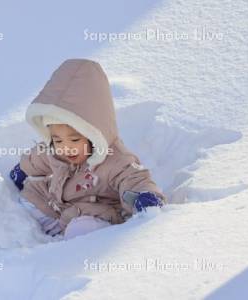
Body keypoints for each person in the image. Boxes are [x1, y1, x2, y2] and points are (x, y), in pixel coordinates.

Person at [9, 58, 166, 240]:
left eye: (74, 139)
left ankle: (82, 243)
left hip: (94, 212)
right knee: (29, 195)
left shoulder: (115, 158)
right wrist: (23, 169)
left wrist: (144, 196)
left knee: (82, 229)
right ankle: (55, 228)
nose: (65, 148)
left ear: (93, 135)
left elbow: (134, 177)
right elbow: (39, 158)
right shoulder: (55, 150)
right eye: (57, 140)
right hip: (59, 203)